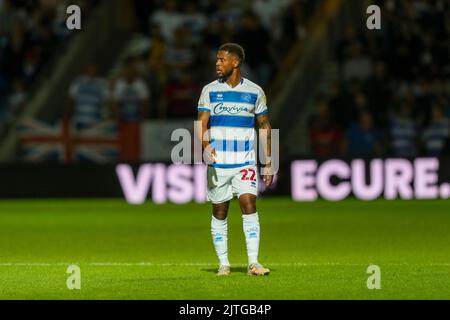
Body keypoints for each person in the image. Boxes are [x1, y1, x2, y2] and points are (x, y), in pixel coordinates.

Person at [197, 43, 273, 276]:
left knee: (248, 203)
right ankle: (224, 264)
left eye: (221, 60)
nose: (217, 64)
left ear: (235, 62)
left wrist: (269, 161)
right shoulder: (209, 90)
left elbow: (264, 125)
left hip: (245, 161)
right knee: (220, 210)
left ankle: (253, 263)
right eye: (217, 59)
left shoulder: (255, 91)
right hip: (219, 163)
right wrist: (205, 146)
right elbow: (201, 123)